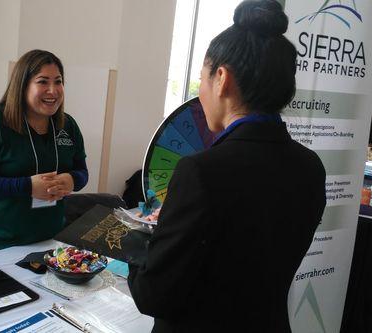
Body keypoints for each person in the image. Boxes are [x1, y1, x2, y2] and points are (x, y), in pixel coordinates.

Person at [127, 1, 327, 332]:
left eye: (202, 78)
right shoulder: (310, 166)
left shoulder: (201, 172)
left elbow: (153, 296)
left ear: (222, 79)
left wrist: (139, 240)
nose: (201, 91)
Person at [0, 50, 88, 254]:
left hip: (50, 241)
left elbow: (82, 172)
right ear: (23, 85)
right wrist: (26, 186)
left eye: (58, 81)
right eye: (43, 82)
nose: (53, 90)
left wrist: (72, 180)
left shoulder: (67, 126)